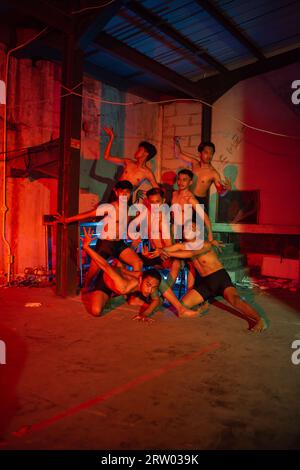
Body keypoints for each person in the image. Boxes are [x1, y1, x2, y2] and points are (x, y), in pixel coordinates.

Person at [159, 220, 267, 332]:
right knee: (182, 306)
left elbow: (191, 253)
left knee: (235, 300)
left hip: (219, 278)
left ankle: (259, 320)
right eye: (185, 227)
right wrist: (161, 251)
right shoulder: (183, 246)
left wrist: (168, 253)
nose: (188, 229)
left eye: (192, 226)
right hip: (206, 283)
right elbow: (170, 248)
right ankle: (203, 305)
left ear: (197, 231)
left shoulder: (204, 244)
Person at [81, 228, 205, 321]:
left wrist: (144, 314)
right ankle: (103, 295)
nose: (149, 290)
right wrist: (87, 248)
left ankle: (181, 309)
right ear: (141, 280)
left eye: (152, 287)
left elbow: (157, 301)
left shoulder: (149, 284)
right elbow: (104, 265)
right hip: (106, 282)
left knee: (158, 280)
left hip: (125, 274)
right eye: (148, 285)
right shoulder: (123, 285)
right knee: (96, 311)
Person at [55, 180, 143, 285]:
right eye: (121, 192)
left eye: (127, 192)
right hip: (105, 244)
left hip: (119, 244)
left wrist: (134, 234)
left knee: (138, 262)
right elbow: (89, 214)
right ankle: (85, 289)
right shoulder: (110, 207)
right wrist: (66, 220)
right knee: (92, 274)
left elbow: (124, 228)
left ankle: (134, 290)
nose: (124, 195)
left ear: (131, 193)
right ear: (116, 193)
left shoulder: (129, 209)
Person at [174, 138, 231, 211]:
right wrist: (176, 141)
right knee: (184, 222)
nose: (209, 156)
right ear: (200, 153)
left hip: (200, 201)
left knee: (200, 222)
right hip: (188, 199)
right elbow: (178, 154)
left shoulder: (213, 173)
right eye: (206, 152)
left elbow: (221, 193)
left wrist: (228, 190)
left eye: (211, 153)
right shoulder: (194, 163)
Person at [171, 169, 220, 248]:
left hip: (186, 230)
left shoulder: (190, 199)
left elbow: (206, 218)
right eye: (179, 179)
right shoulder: (174, 194)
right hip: (175, 228)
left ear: (190, 182)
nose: (180, 182)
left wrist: (211, 238)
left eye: (184, 180)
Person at [103, 127, 159, 193]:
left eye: (139, 150)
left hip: (125, 198)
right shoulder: (128, 162)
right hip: (115, 193)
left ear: (146, 153)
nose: (136, 151)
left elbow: (157, 190)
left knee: (122, 200)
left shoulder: (147, 173)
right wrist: (111, 138)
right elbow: (107, 157)